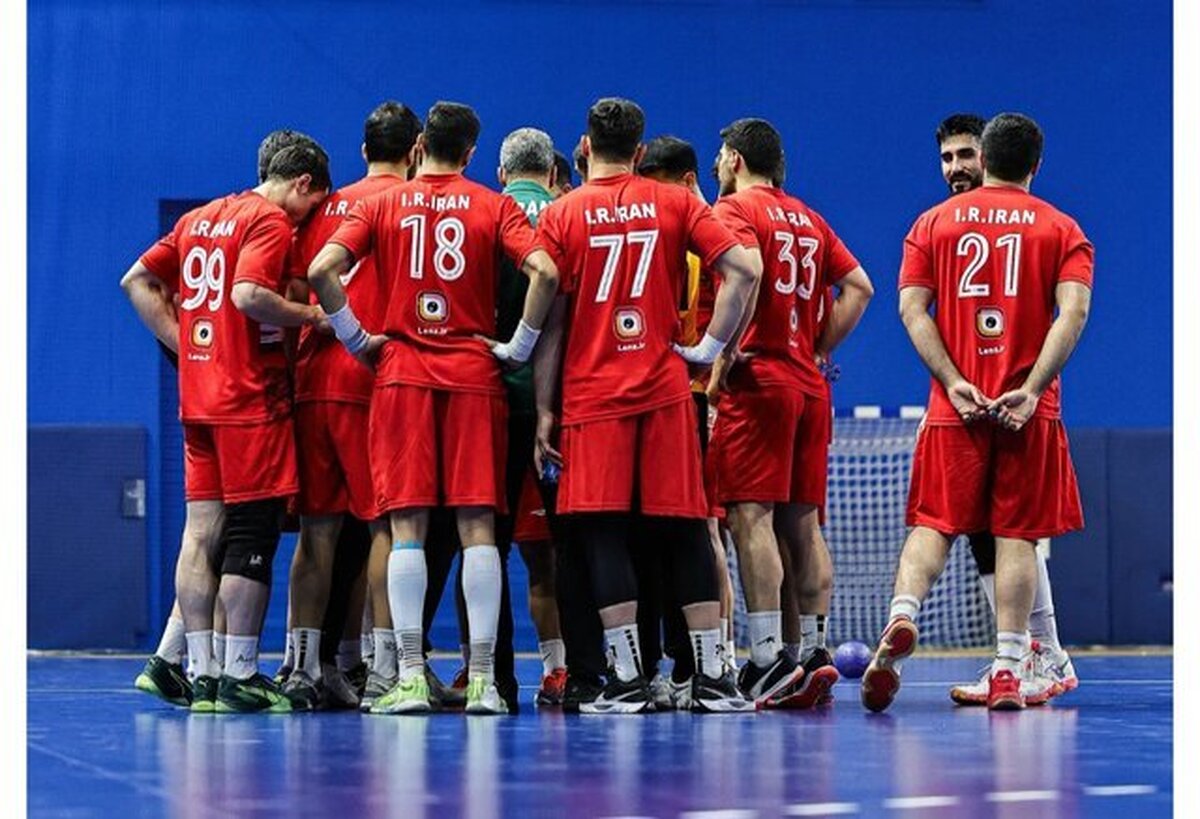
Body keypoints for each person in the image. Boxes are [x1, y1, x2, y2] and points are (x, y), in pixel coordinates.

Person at [306, 101, 560, 715]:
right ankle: (484, 683)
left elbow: (321, 269)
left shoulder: (382, 204)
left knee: (407, 530)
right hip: (475, 375)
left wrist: (357, 338)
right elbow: (546, 273)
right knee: (478, 530)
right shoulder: (492, 205)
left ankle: (411, 678)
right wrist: (519, 346)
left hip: (403, 376)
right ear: (471, 154)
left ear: (420, 147)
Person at [531, 97, 760, 713]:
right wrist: (708, 348)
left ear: (585, 148)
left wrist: (545, 410)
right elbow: (744, 270)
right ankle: (712, 678)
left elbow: (552, 323)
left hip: (592, 395)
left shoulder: (562, 213)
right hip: (664, 392)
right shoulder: (676, 202)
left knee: (604, 534)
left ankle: (628, 680)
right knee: (684, 530)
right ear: (638, 151)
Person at [862, 113, 1092, 712]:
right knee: (1016, 534)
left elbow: (911, 309)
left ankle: (903, 613)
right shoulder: (1063, 228)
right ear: (1036, 164)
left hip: (955, 407)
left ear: (984, 159)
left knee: (933, 524)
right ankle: (1012, 665)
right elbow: (1073, 313)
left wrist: (954, 382)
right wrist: (1032, 388)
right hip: (1025, 409)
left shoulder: (932, 223)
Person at [123, 142, 332, 712]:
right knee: (252, 534)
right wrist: (312, 316)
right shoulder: (269, 220)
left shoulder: (199, 218)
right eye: (313, 204)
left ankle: (201, 672)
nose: (307, 220)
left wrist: (188, 348)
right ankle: (240, 673)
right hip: (249, 401)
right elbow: (247, 295)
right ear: (303, 183)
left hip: (199, 400)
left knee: (199, 534)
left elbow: (136, 281)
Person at [708, 118, 874, 709]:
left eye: (720, 156)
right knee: (803, 523)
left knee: (749, 518)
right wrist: (819, 347)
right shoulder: (809, 217)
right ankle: (813, 650)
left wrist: (723, 355)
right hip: (808, 385)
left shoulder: (733, 210)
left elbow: (746, 274)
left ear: (734, 159)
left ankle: (764, 661)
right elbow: (860, 287)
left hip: (760, 382)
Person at [279, 101, 422, 711]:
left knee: (317, 534)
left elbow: (294, 289)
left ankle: (303, 666)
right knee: (385, 527)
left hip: (314, 380)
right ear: (416, 150)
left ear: (363, 151)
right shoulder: (413, 206)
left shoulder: (324, 208)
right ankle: (387, 669)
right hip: (373, 379)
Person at [932, 113, 1078, 705]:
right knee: (983, 535)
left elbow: (1066, 312)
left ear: (988, 158)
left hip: (1017, 400)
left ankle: (1035, 653)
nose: (957, 168)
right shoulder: (945, 226)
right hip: (968, 400)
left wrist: (1032, 386)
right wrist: (952, 383)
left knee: (1013, 529)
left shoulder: (1039, 226)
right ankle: (1042, 653)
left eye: (966, 155)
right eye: (947, 158)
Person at [634, 134, 737, 709]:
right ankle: (695, 665)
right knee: (684, 532)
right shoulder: (690, 226)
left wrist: (714, 365)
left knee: (696, 532)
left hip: (682, 397)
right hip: (677, 396)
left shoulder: (696, 230)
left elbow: (744, 283)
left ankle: (706, 662)